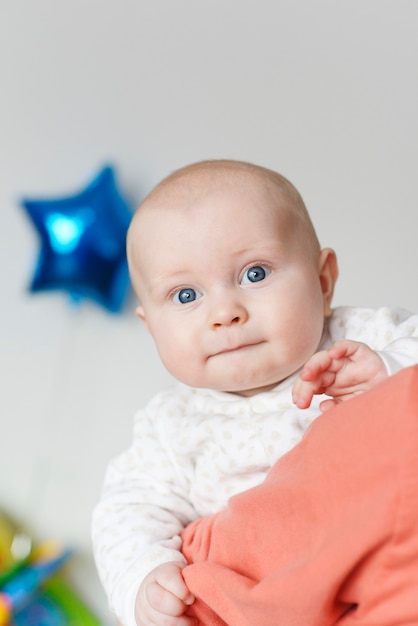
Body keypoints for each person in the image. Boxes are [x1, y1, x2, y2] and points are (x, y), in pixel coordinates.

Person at [91, 159, 418, 626]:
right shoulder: (170, 423)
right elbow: (126, 509)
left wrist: (390, 369)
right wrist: (141, 580)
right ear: (152, 328)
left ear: (323, 281)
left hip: (375, 548)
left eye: (255, 273)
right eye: (186, 296)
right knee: (198, 581)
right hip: (267, 594)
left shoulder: (365, 338)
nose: (225, 312)